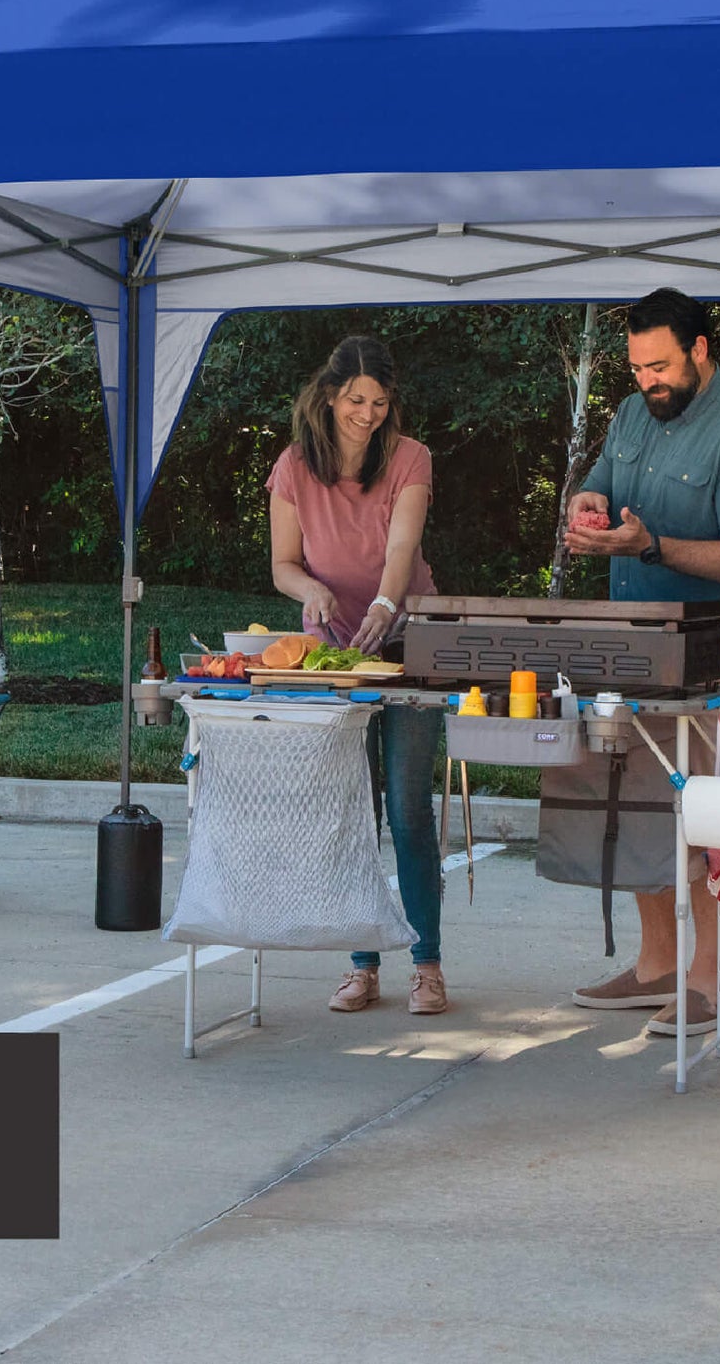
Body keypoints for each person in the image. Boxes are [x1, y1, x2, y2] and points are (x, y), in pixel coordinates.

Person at [561, 288, 720, 1035]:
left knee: (699, 822)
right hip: (624, 656)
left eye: (659, 366)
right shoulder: (632, 414)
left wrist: (649, 545)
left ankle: (706, 980)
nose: (646, 380)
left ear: (699, 350)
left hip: (708, 669)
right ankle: (655, 966)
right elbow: (601, 479)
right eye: (636, 368)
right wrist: (588, 507)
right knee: (634, 815)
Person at [268, 334, 448, 1016]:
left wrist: (382, 602)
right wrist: (307, 591)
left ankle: (426, 966)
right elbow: (284, 563)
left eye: (377, 402)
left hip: (407, 642)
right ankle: (361, 965)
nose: (366, 414)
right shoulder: (293, 466)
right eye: (354, 400)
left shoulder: (410, 459)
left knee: (405, 808)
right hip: (334, 653)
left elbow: (401, 545)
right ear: (328, 395)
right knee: (352, 809)